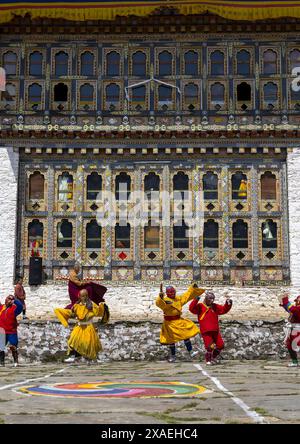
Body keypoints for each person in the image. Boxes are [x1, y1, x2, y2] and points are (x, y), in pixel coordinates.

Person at [54, 289, 109, 363]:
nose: (83, 297)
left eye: (84, 295)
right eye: (81, 296)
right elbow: (72, 314)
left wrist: (104, 308)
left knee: (90, 342)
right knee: (73, 340)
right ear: (79, 296)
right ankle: (74, 356)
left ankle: (94, 357)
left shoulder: (92, 305)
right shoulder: (76, 306)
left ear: (87, 296)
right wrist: (62, 313)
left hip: (88, 326)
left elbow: (99, 312)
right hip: (79, 326)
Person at [156, 282, 205, 362]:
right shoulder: (164, 300)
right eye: (170, 292)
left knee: (186, 335)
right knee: (171, 340)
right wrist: (160, 298)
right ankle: (173, 356)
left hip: (179, 321)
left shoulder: (177, 298)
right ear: (167, 293)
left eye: (173, 291)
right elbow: (159, 304)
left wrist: (193, 288)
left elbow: (186, 296)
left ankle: (190, 351)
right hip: (169, 323)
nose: (172, 293)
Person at [189, 291, 232, 365]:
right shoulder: (200, 306)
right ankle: (208, 360)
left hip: (215, 330)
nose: (212, 300)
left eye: (213, 299)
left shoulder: (215, 306)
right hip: (206, 331)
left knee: (220, 345)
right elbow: (191, 309)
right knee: (210, 347)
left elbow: (223, 309)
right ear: (206, 298)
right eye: (210, 298)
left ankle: (213, 357)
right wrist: (196, 299)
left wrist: (228, 304)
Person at [0, 295, 23, 367]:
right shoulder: (1, 307)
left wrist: (15, 300)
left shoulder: (14, 309)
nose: (9, 300)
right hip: (2, 331)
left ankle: (16, 362)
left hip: (11, 332)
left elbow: (20, 307)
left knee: (13, 346)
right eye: (8, 299)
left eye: (11, 299)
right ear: (5, 299)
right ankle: (1, 362)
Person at [280, 293, 300, 367]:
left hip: (297, 330)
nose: (297, 302)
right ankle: (295, 362)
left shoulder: (297, 309)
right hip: (294, 329)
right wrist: (284, 304)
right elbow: (290, 310)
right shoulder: (296, 309)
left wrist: (285, 299)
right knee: (290, 345)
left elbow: (291, 309)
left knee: (295, 345)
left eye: (298, 300)